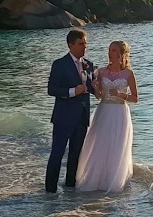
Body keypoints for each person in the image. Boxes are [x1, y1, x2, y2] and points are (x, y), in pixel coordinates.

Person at [76, 40, 138, 193]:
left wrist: (121, 95)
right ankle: (97, 179)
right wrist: (96, 87)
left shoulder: (128, 74)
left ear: (122, 54)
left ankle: (112, 180)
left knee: (116, 145)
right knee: (100, 144)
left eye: (114, 50)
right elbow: (99, 96)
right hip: (104, 111)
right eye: (109, 50)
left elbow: (135, 98)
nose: (110, 53)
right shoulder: (101, 72)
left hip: (120, 113)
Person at [45, 29, 96, 192]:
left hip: (82, 117)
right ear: (70, 45)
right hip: (63, 117)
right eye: (81, 44)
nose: (84, 47)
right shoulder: (59, 64)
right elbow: (52, 89)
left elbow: (92, 88)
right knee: (57, 154)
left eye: (85, 43)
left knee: (76, 156)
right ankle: (50, 192)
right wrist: (73, 91)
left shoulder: (89, 64)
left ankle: (70, 190)